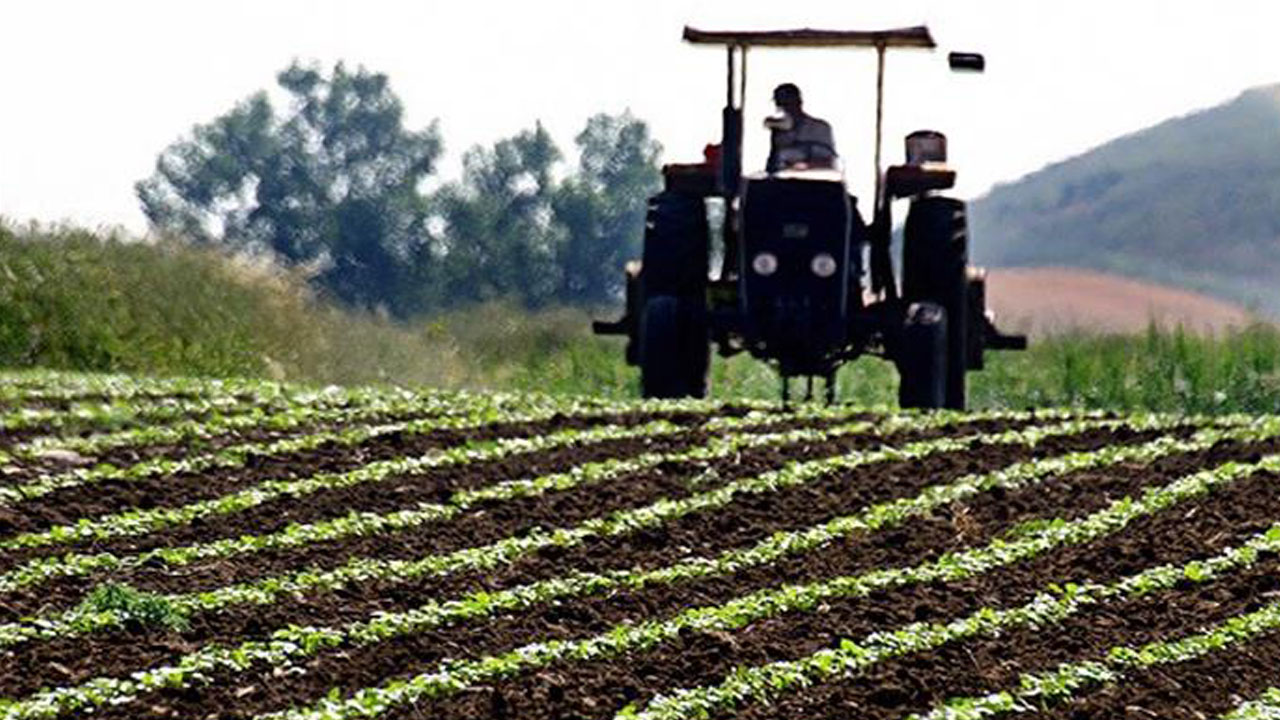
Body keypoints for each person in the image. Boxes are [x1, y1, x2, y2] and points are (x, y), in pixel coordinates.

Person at [765, 83, 837, 172]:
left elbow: (828, 161)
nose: (784, 108)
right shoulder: (779, 129)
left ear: (799, 102)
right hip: (783, 180)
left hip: (815, 180)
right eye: (780, 104)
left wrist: (803, 166)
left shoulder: (819, 128)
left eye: (788, 103)